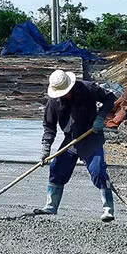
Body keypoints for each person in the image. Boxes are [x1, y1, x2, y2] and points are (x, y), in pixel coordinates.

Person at [34, 69, 117, 221]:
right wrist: (46, 148)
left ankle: (108, 209)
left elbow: (110, 98)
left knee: (98, 171)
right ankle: (51, 206)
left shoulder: (88, 88)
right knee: (57, 168)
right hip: (70, 140)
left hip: (91, 136)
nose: (64, 95)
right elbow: (49, 126)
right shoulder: (54, 102)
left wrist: (100, 117)